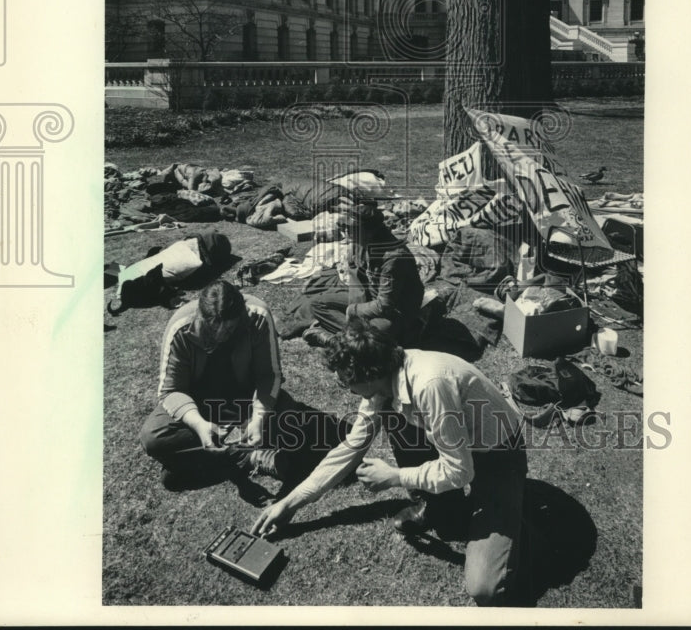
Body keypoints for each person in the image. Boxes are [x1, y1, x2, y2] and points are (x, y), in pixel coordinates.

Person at [251, 320, 528, 607]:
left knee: (484, 587)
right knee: (396, 420)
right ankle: (440, 505)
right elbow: (348, 449)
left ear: (369, 375)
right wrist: (289, 504)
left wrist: (396, 476)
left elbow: (460, 470)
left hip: (498, 454)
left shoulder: (428, 386)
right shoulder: (384, 379)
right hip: (461, 445)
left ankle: (512, 514)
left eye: (347, 381)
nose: (346, 389)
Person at [140, 279, 344, 490]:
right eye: (211, 330)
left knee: (288, 414)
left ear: (241, 317)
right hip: (199, 404)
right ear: (200, 316)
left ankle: (214, 459)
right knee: (153, 438)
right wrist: (199, 424)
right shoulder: (180, 327)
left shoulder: (258, 315)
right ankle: (251, 458)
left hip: (244, 399)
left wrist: (258, 418)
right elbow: (172, 391)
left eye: (228, 330)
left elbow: (269, 375)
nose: (219, 336)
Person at [303, 197, 424, 346]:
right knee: (318, 304)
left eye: (352, 228)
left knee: (379, 330)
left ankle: (340, 340)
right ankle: (353, 339)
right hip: (368, 300)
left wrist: (353, 310)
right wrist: (355, 307)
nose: (346, 231)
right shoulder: (360, 243)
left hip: (395, 312)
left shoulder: (394, 257)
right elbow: (357, 281)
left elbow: (385, 306)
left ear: (370, 231)